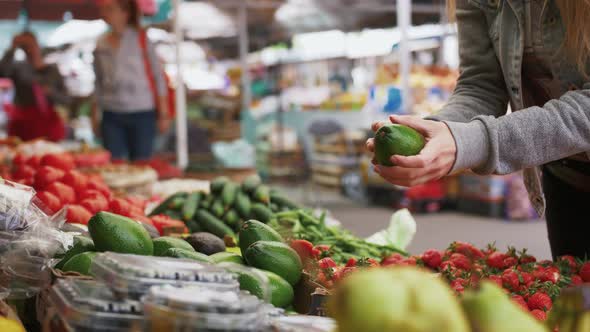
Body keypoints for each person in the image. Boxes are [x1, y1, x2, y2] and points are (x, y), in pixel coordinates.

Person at [367, 0, 590, 259]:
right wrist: (436, 133)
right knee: (575, 294)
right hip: (566, 180)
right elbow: (481, 86)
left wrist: (478, 141)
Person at [93, 0, 170, 161]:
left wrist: (163, 114)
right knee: (114, 164)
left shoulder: (141, 39)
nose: (105, 13)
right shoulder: (100, 43)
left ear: (125, 13)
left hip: (142, 112)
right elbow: (98, 83)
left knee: (142, 162)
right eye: (104, 9)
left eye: (110, 9)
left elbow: (158, 76)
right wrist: (95, 114)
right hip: (111, 113)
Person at [0, 31, 69, 141]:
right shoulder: (18, 68)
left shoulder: (52, 70)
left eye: (31, 45)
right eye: (25, 46)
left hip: (47, 125)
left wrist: (50, 92)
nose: (29, 50)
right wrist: (12, 48)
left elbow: (66, 99)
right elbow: (2, 72)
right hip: (22, 125)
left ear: (37, 44)